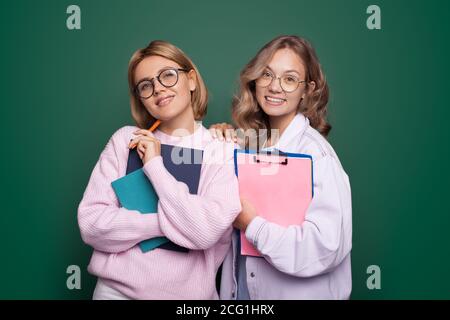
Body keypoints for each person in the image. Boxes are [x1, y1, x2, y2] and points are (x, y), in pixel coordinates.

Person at [78, 40, 241, 299]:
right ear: (140, 98)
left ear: (191, 80)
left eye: (167, 75)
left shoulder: (221, 149)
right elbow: (92, 225)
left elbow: (206, 233)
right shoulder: (127, 141)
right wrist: (176, 223)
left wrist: (154, 165)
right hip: (115, 294)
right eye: (146, 85)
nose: (158, 89)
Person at [211, 35, 352, 299]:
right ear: (254, 81)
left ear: (308, 90)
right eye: (266, 74)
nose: (275, 87)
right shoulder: (248, 147)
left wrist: (252, 225)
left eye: (289, 79)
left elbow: (325, 248)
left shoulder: (318, 156)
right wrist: (216, 141)